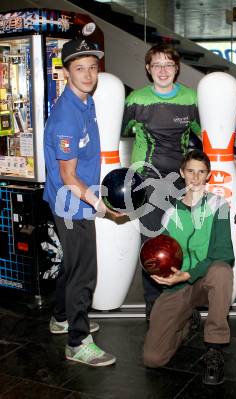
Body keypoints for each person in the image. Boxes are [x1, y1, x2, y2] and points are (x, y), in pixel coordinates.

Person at [43, 39, 122, 366]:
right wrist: (102, 208)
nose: (88, 74)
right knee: (84, 273)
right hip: (71, 203)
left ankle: (61, 317)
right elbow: (67, 175)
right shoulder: (67, 116)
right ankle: (77, 341)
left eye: (93, 67)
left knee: (71, 265)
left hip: (77, 199)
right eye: (80, 69)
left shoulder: (84, 102)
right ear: (66, 72)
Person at [121, 44, 201, 318]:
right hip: (146, 182)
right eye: (157, 65)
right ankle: (153, 307)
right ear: (148, 69)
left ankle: (182, 303)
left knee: (184, 241)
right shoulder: (136, 100)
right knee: (152, 244)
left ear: (177, 68)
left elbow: (206, 137)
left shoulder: (191, 99)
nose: (163, 70)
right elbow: (120, 131)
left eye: (168, 64)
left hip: (182, 183)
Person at [143, 149, 234, 385]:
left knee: (222, 271)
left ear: (208, 176)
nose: (195, 177)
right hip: (178, 286)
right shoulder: (171, 211)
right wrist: (161, 274)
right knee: (153, 358)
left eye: (201, 172)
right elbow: (160, 255)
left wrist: (189, 274)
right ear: (182, 173)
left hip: (205, 281)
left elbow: (224, 254)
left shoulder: (218, 206)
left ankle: (214, 348)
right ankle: (185, 322)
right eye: (191, 171)